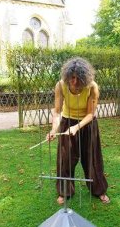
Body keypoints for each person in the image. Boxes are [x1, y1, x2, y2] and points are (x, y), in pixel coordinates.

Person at [46, 57, 110, 205]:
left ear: (85, 78)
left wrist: (77, 127)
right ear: (67, 76)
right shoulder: (61, 86)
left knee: (92, 158)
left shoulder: (92, 87)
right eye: (72, 77)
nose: (74, 82)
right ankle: (65, 191)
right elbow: (56, 112)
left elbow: (90, 114)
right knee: (66, 159)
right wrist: (54, 130)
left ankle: (98, 190)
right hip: (67, 121)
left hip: (87, 124)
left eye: (79, 78)